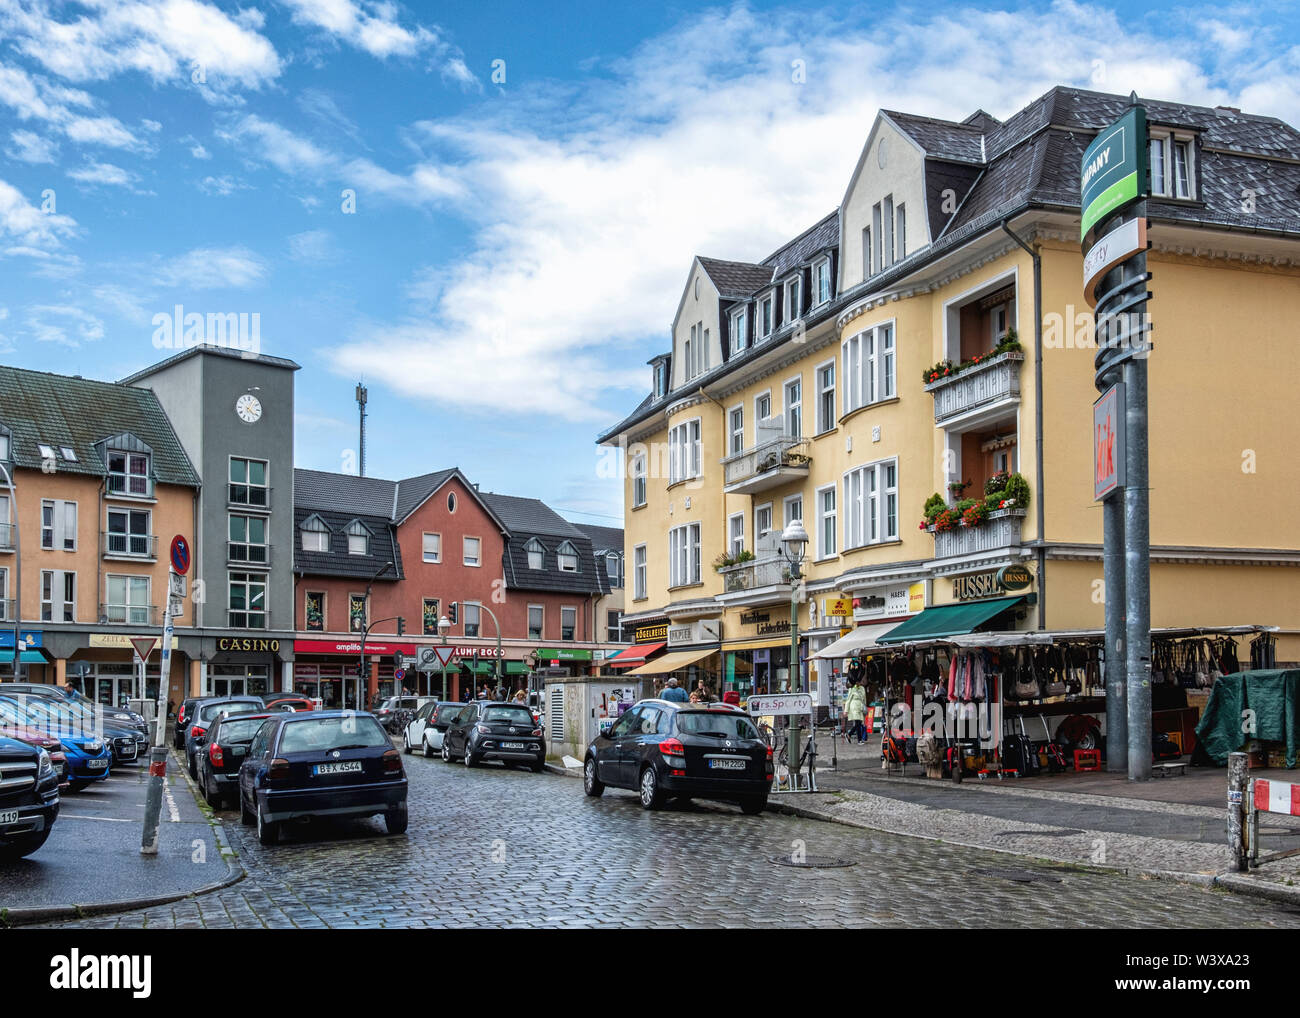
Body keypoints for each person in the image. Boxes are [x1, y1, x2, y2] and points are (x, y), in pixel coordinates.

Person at [844, 678, 868, 744]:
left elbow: (864, 698)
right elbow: (848, 700)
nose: (858, 683)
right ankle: (859, 740)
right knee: (858, 723)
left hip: (860, 707)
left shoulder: (862, 688)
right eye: (857, 682)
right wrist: (846, 710)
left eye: (859, 682)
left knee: (859, 723)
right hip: (854, 707)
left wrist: (865, 707)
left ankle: (849, 735)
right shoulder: (852, 689)